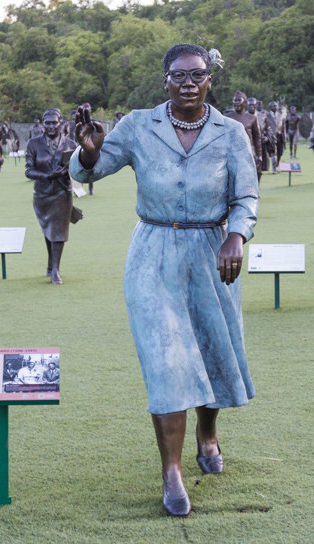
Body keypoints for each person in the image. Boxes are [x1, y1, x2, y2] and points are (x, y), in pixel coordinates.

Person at [71, 43, 258, 518]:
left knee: (211, 350)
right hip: (152, 254)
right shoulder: (138, 124)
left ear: (210, 79)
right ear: (165, 81)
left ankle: (208, 432)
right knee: (166, 359)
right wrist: (89, 153)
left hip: (213, 254)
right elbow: (90, 169)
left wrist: (236, 236)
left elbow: (247, 196)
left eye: (197, 75)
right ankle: (171, 471)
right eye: (179, 76)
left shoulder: (231, 132)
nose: (189, 83)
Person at [25, 109, 81, 284]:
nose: (50, 126)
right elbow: (28, 170)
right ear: (42, 124)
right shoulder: (33, 144)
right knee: (49, 228)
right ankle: (51, 265)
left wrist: (68, 170)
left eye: (54, 122)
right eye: (47, 122)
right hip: (42, 195)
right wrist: (48, 176)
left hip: (63, 192)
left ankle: (56, 269)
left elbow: (80, 168)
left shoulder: (71, 145)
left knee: (59, 230)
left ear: (61, 123)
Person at [224, 90, 263, 181]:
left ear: (245, 103)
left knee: (252, 175)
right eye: (235, 100)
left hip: (248, 152)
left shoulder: (252, 118)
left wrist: (259, 155)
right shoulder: (226, 117)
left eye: (239, 100)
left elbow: (257, 137)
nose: (237, 103)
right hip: (231, 153)